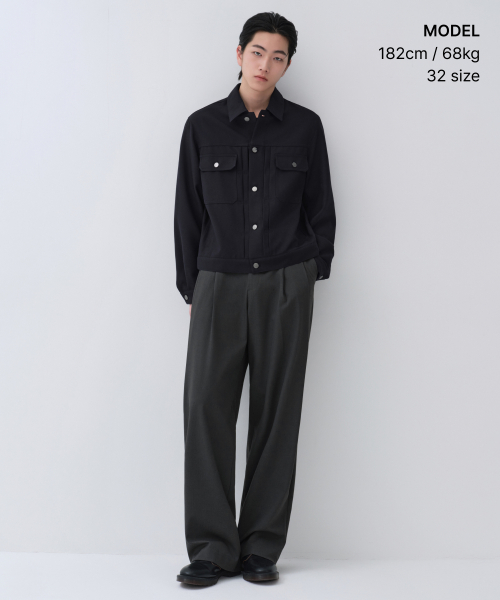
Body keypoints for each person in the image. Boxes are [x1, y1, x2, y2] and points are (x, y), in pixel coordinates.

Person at [174, 11, 336, 586]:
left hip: (286, 282)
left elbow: (321, 204)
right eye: (258, 52)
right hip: (217, 282)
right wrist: (192, 285)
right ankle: (211, 549)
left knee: (277, 413)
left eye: (279, 56)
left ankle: (261, 547)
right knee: (205, 411)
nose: (266, 64)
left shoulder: (306, 127)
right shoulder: (201, 126)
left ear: (287, 65)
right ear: (239, 53)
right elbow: (187, 212)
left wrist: (312, 270)